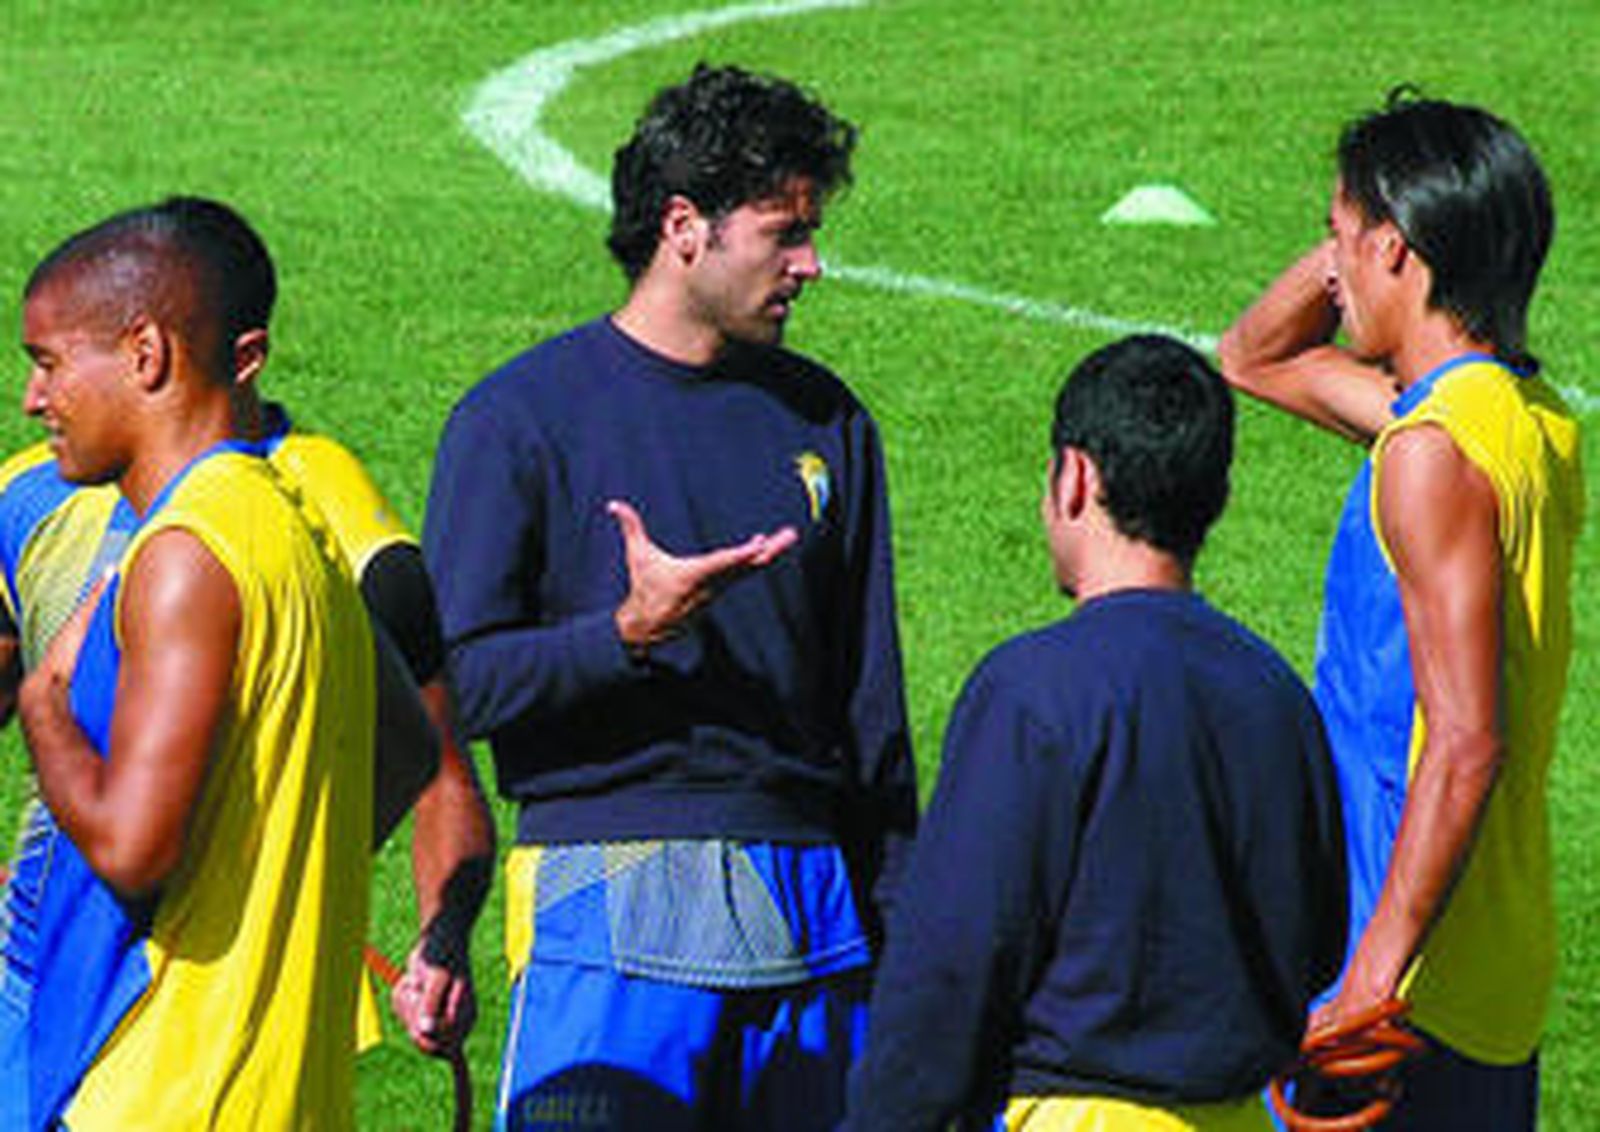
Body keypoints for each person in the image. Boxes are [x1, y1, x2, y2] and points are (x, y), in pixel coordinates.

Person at [424, 63, 916, 1130]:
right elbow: (458, 692)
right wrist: (623, 634)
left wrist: (906, 941)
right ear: (684, 225)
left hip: (814, 911)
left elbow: (871, 713)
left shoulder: (829, 422)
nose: (811, 263)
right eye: (784, 233)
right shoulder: (518, 421)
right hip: (610, 893)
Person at [0, 198, 494, 1072]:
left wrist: (46, 711)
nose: (33, 396)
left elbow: (133, 847)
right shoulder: (281, 516)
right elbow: (408, 748)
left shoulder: (231, 535)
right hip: (125, 1006)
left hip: (148, 1043)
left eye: (48, 364)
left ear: (148, 356)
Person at [841, 335, 1347, 1132]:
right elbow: (1318, 941)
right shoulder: (1276, 694)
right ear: (1214, 497)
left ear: (1074, 476)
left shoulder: (1032, 691)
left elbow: (952, 965)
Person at [1217, 92, 1584, 1128]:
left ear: (1397, 249)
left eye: (1342, 240)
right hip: (1491, 963)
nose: (1328, 270)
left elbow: (1465, 743)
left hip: (1405, 971)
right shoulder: (1530, 425)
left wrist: (1374, 964)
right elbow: (1251, 358)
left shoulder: (1426, 458)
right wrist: (1367, 235)